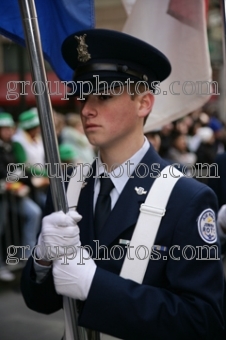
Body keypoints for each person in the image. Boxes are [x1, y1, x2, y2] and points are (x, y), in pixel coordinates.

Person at [21, 29, 224, 339]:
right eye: (84, 96)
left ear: (143, 103)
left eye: (103, 95)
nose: (87, 108)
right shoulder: (68, 188)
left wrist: (95, 285)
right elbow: (41, 302)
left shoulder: (187, 198)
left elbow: (202, 322)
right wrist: (42, 261)